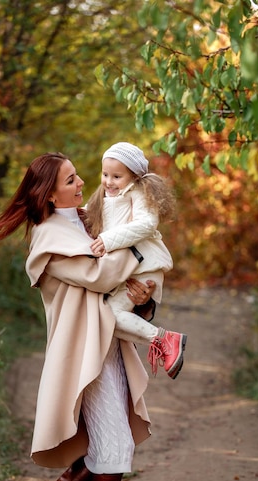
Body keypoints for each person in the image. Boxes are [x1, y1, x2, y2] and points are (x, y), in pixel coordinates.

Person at [0, 152, 157, 481]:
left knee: (107, 441)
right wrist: (144, 245)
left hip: (105, 345)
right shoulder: (50, 236)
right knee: (115, 445)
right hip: (82, 353)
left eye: (77, 176)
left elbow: (113, 287)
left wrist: (141, 295)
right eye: (70, 179)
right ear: (49, 195)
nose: (81, 182)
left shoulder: (84, 224)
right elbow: (101, 277)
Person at [84, 141, 187, 380]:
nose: (109, 181)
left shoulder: (139, 192)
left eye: (117, 176)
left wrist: (108, 240)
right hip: (128, 267)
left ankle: (164, 340)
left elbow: (146, 224)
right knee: (108, 317)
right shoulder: (103, 196)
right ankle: (163, 341)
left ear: (135, 176)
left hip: (144, 266)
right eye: (105, 174)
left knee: (110, 315)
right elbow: (85, 215)